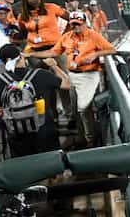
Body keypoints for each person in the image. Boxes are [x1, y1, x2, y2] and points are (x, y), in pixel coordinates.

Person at [25, 12, 116, 146]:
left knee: (84, 108)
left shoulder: (93, 35)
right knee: (75, 109)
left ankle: (92, 139)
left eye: (78, 24)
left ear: (84, 23)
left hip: (89, 75)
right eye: (73, 24)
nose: (76, 27)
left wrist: (95, 54)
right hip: (73, 75)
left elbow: (111, 50)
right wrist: (32, 54)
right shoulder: (66, 37)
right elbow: (53, 52)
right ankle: (83, 137)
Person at [0, 44, 70, 157]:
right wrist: (54, 66)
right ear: (21, 57)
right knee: (52, 169)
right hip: (45, 135)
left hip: (18, 138)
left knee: (24, 171)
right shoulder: (41, 75)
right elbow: (67, 84)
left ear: (4, 62)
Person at [17, 0, 72, 121]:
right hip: (36, 52)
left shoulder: (51, 7)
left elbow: (71, 18)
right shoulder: (22, 16)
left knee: (63, 80)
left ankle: (71, 115)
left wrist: (65, 35)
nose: (35, 0)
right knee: (45, 84)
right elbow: (24, 32)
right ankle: (52, 116)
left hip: (56, 49)